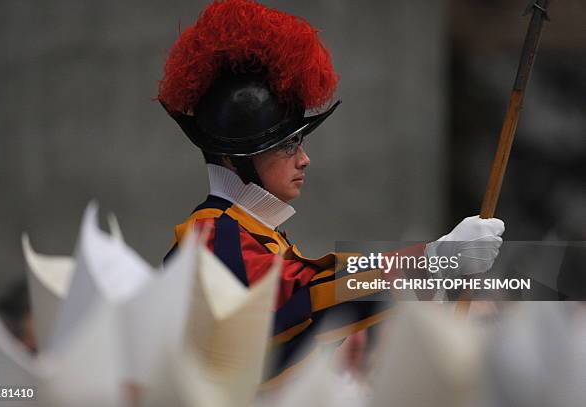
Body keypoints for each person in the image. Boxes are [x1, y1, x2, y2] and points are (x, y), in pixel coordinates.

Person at [158, 0, 505, 384]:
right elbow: (304, 294)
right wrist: (432, 263)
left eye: (299, 141)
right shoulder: (211, 235)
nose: (304, 159)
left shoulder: (248, 235)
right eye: (286, 144)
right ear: (234, 157)